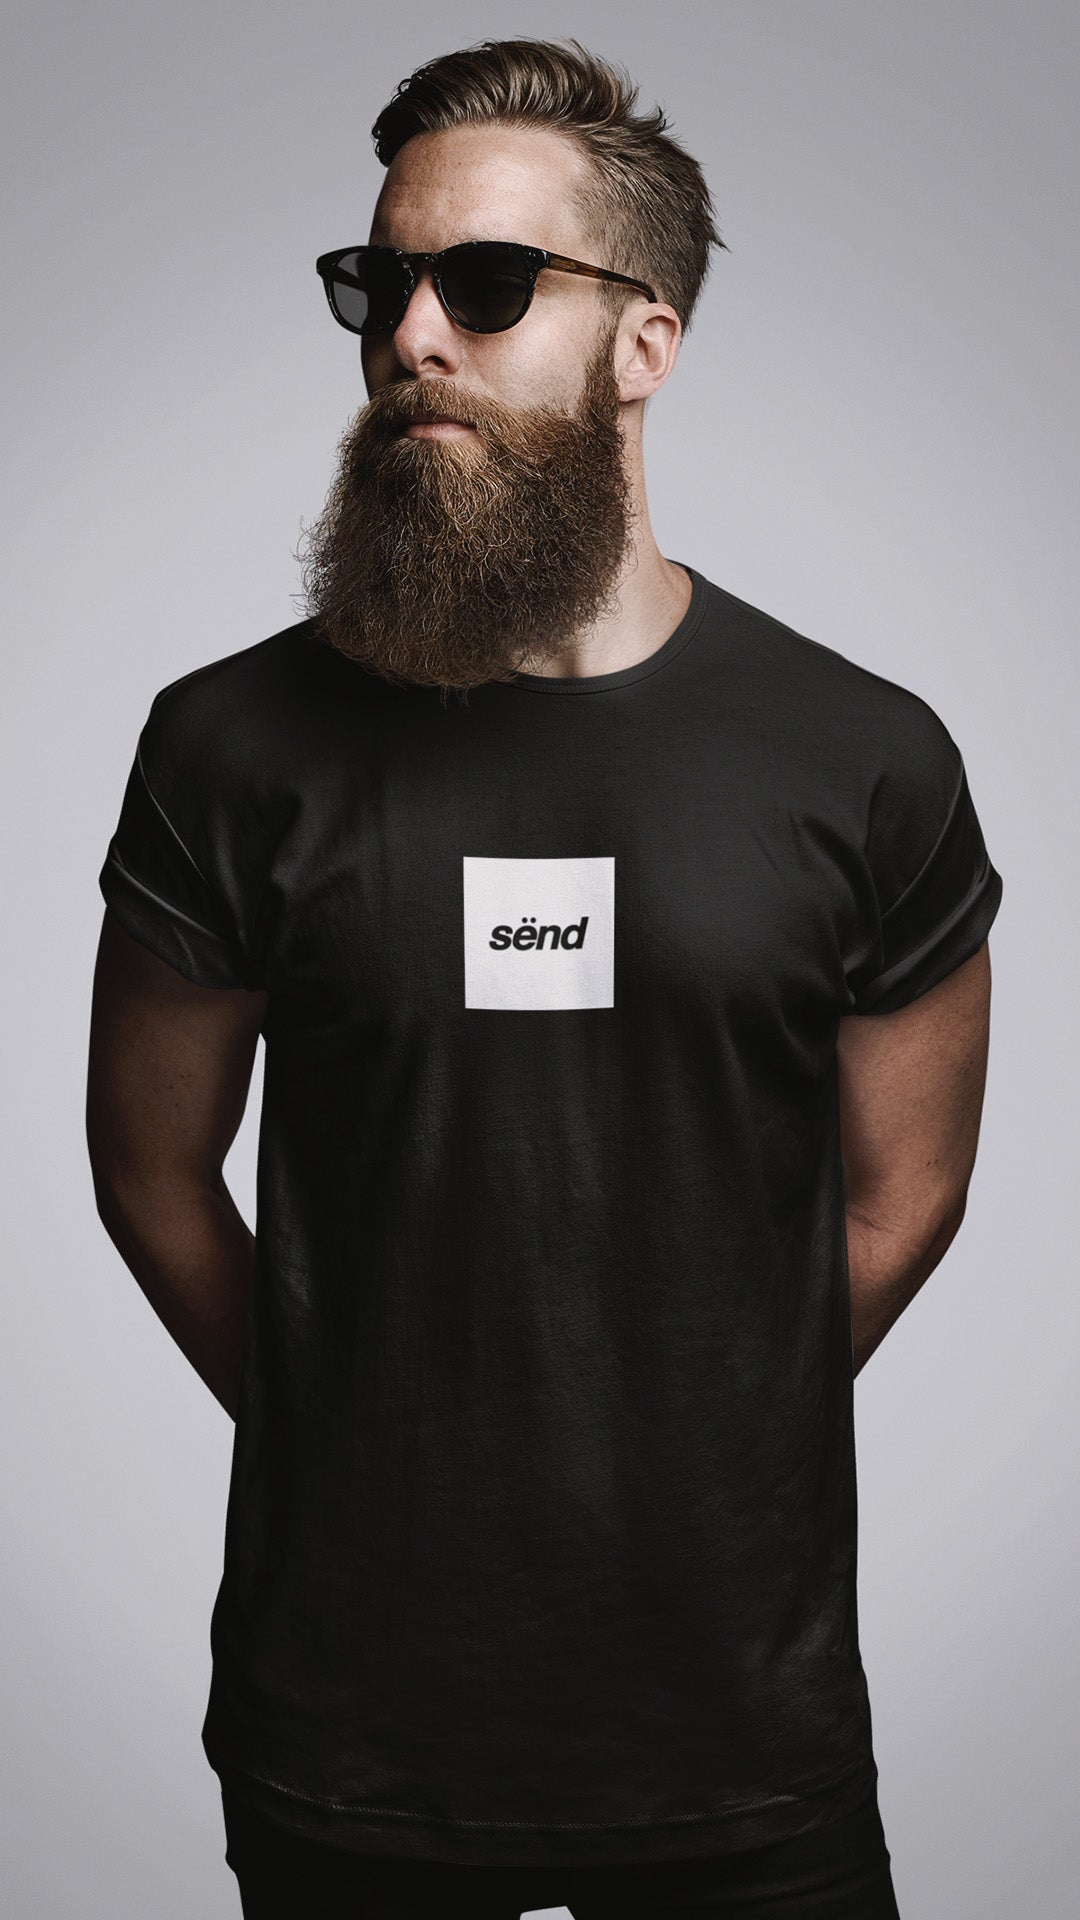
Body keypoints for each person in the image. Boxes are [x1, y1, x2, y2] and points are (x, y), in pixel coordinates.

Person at [86, 35, 1003, 1920]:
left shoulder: (865, 758)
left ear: (644, 341)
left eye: (486, 286)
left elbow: (907, 1191)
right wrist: (361, 1415)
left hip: (738, 1731)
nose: (413, 334)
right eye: (381, 281)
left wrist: (679, 1425)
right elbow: (152, 1167)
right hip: (348, 1738)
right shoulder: (228, 746)